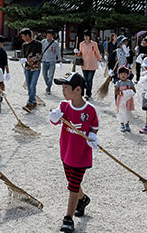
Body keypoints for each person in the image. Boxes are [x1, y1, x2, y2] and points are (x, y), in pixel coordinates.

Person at [49, 73, 99, 233]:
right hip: (66, 152)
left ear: (78, 90)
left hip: (81, 156)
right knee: (73, 183)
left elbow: (94, 127)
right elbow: (55, 121)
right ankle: (83, 200)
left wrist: (92, 136)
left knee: (72, 186)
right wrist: (54, 117)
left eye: (65, 88)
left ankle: (68, 219)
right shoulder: (64, 106)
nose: (63, 91)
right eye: (62, 87)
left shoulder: (90, 110)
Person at [19, 28, 42, 112]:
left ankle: (30, 102)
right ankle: (34, 101)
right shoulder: (24, 45)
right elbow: (23, 55)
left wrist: (29, 59)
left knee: (32, 85)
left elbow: (39, 56)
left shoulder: (38, 44)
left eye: (23, 36)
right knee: (29, 86)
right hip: (27, 68)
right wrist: (23, 59)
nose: (22, 38)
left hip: (36, 67)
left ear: (28, 35)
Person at [77, 30, 101, 99]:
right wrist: (77, 52)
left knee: (89, 80)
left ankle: (88, 93)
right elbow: (80, 53)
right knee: (85, 80)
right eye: (85, 36)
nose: (86, 37)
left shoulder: (94, 44)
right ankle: (84, 92)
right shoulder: (81, 44)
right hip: (84, 64)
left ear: (90, 36)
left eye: (87, 36)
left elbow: (97, 52)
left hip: (92, 64)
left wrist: (100, 60)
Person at [114, 66, 136, 132]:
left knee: (128, 112)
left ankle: (127, 123)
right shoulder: (118, 83)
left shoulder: (130, 82)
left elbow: (134, 90)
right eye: (121, 74)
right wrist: (121, 93)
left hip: (128, 100)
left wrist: (130, 92)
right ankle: (122, 124)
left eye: (125, 74)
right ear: (119, 75)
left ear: (127, 75)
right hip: (121, 99)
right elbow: (116, 92)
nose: (123, 75)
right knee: (121, 111)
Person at [41, 30, 62, 95]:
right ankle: (48, 84)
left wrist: (59, 60)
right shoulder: (43, 42)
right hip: (44, 60)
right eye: (47, 35)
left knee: (51, 75)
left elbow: (58, 52)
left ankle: (48, 88)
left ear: (52, 36)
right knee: (44, 75)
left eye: (50, 36)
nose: (49, 37)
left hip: (52, 61)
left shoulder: (55, 43)